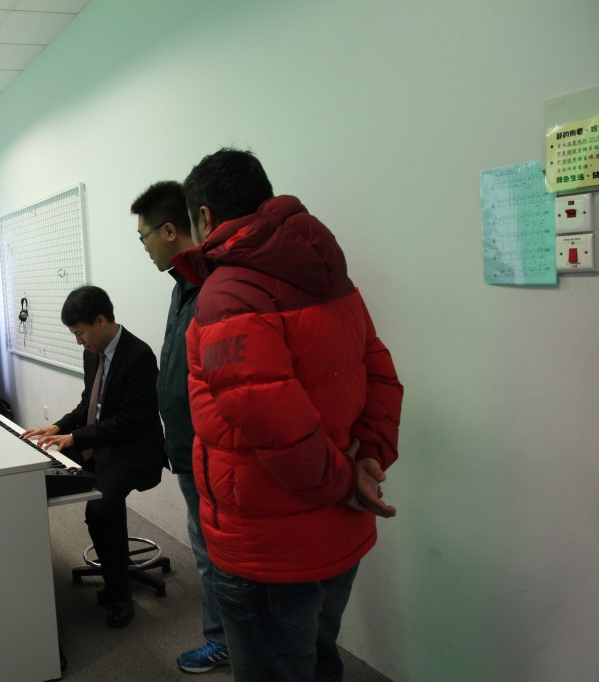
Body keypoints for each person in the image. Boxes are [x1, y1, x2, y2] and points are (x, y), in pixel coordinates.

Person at [173, 148, 403, 682]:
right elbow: (381, 375)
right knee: (319, 663)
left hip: (267, 549)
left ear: (204, 216)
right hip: (338, 529)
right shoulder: (330, 275)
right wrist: (369, 458)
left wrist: (346, 481)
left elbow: (272, 421)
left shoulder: (228, 292)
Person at [21, 285, 165, 629]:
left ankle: (119, 593)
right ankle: (113, 564)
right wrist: (57, 426)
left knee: (100, 510)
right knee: (48, 466)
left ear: (101, 321)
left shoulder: (139, 356)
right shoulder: (93, 352)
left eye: (80, 333)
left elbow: (128, 422)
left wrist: (74, 437)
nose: (78, 342)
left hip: (132, 449)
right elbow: (89, 404)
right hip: (101, 441)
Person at [130, 181, 229, 673]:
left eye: (144, 236)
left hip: (207, 450)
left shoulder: (213, 287)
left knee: (214, 553)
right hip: (188, 447)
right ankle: (225, 638)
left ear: (169, 230)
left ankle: (222, 642)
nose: (144, 247)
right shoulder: (183, 285)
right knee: (207, 549)